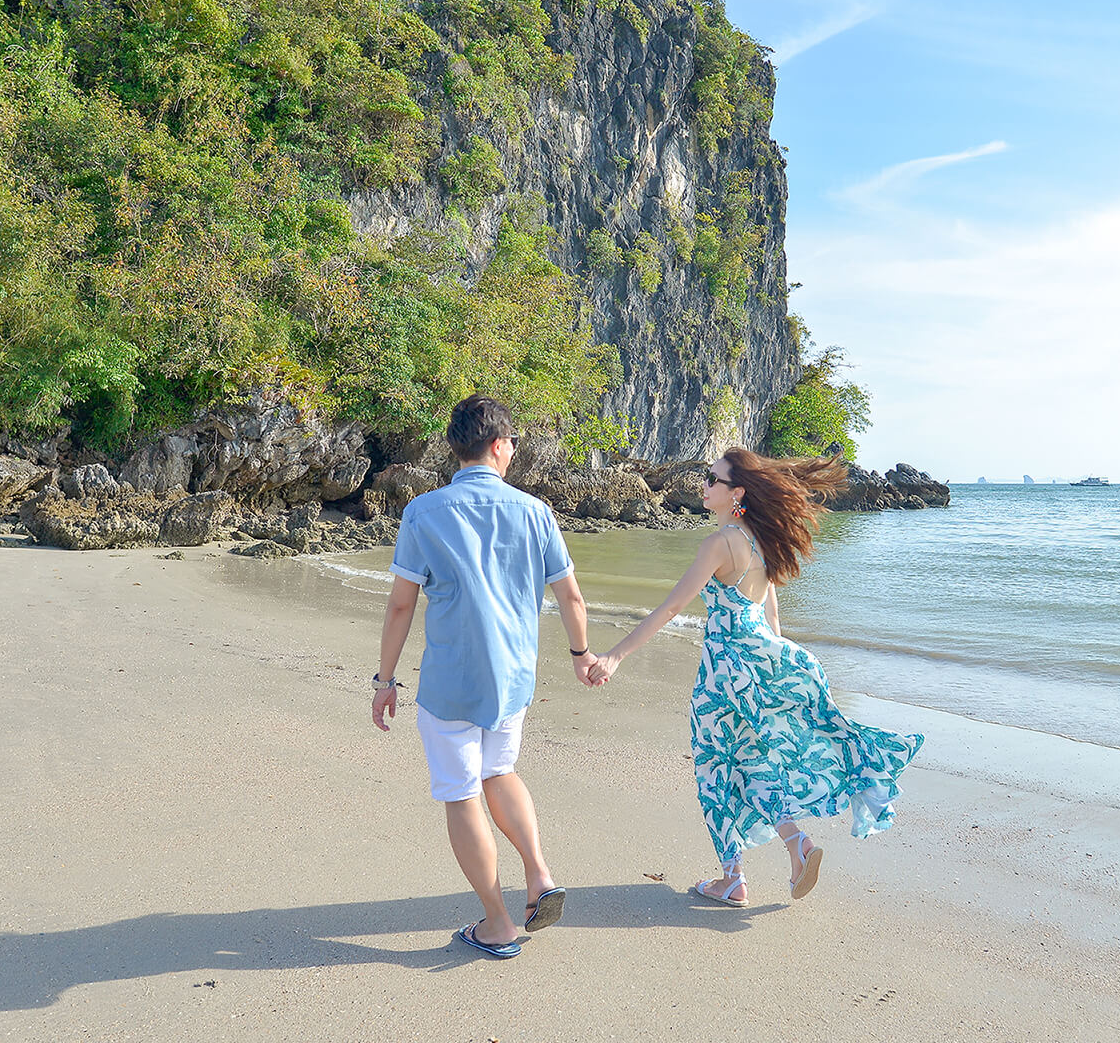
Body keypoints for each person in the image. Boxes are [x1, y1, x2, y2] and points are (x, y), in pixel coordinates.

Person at [586, 447, 924, 907]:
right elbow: (772, 613)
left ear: (736, 493)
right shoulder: (761, 541)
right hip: (759, 662)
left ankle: (733, 876)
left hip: (723, 671)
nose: (704, 485)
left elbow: (671, 607)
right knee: (750, 764)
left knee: (714, 766)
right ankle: (795, 846)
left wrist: (616, 656)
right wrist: (775, 671)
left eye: (713, 479)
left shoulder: (720, 543)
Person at [372, 395, 601, 959]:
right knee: (501, 770)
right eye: (514, 442)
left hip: (451, 679)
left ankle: (498, 923)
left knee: (461, 794)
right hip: (513, 678)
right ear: (498, 444)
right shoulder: (535, 511)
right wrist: (580, 654)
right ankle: (540, 874)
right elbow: (570, 595)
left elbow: (401, 606)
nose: (516, 450)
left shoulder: (424, 511)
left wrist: (384, 680)